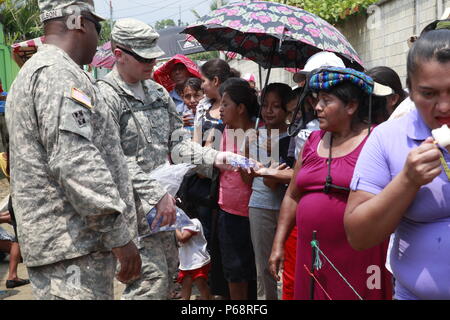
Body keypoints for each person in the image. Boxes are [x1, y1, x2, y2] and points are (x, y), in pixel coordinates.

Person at [5, 0, 141, 300]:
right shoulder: (57, 73)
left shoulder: (36, 72)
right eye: (98, 26)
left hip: (66, 249)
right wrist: (118, 233)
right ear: (79, 22)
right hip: (73, 249)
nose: (99, 38)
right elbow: (75, 160)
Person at [97, 18, 234, 300]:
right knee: (149, 286)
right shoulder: (105, 98)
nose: (151, 63)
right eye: (143, 57)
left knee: (168, 278)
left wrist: (217, 156)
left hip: (164, 211)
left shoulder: (158, 93)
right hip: (132, 215)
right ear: (119, 54)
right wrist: (155, 193)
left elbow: (179, 146)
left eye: (153, 56)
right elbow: (113, 160)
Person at [269, 67, 393, 300]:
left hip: (360, 256)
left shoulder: (376, 140)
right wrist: (278, 244)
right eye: (317, 100)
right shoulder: (312, 141)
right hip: (313, 253)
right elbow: (292, 195)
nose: (317, 107)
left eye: (326, 101)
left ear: (351, 106)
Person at [344, 29, 450, 300]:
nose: (444, 106)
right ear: (410, 92)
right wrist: (407, 181)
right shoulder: (387, 138)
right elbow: (358, 235)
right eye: (428, 93)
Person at [242, 83, 293, 300]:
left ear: (287, 109)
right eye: (265, 105)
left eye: (276, 106)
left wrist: (273, 164)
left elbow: (286, 179)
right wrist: (253, 165)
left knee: (290, 266)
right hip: (260, 206)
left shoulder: (295, 136)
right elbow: (246, 179)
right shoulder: (252, 135)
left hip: (287, 208)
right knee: (263, 267)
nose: (269, 111)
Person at [217, 83, 259, 300]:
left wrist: (246, 149)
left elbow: (251, 179)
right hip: (227, 210)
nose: (220, 109)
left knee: (253, 272)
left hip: (252, 213)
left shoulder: (259, 132)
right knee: (234, 272)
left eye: (226, 104)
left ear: (241, 108)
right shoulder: (225, 130)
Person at [175, 218, 211, 300]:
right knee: (185, 288)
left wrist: (174, 226)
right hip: (186, 263)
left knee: (202, 287)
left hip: (197, 262)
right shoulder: (180, 223)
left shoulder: (193, 222)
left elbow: (183, 238)